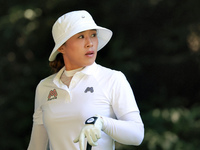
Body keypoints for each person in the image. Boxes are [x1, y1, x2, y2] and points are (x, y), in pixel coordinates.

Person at [27, 10, 144, 150]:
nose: (90, 43)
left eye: (93, 35)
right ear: (61, 47)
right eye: (81, 36)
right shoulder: (44, 87)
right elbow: (36, 146)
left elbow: (137, 134)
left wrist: (102, 123)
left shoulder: (113, 78)